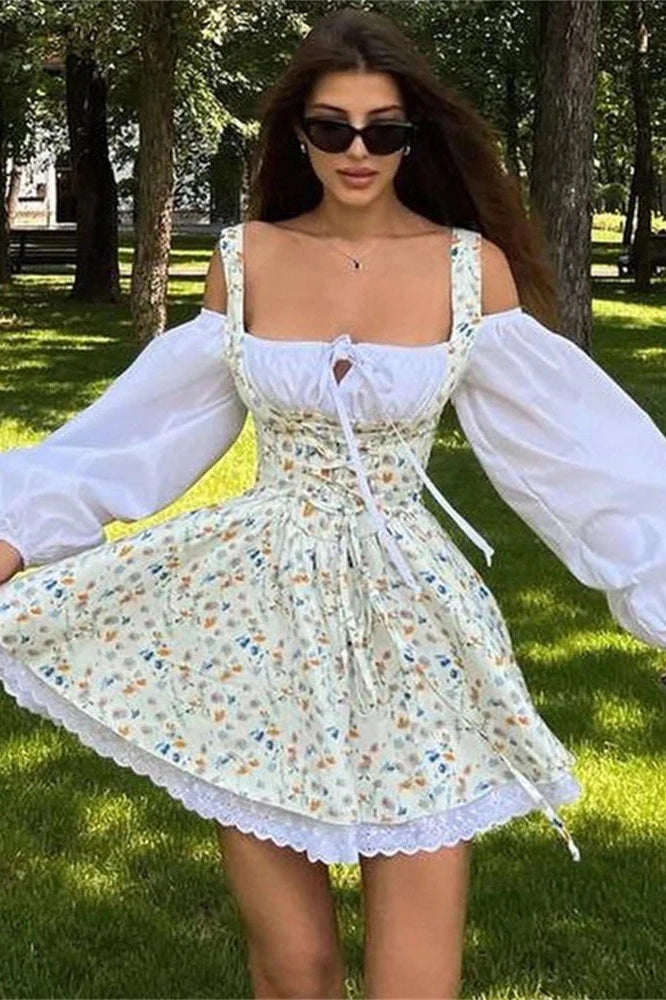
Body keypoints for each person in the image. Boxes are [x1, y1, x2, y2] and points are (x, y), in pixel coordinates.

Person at [1, 7, 665, 999]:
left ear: (413, 139)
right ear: (298, 137)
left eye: (383, 130)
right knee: (295, 968)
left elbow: (582, 456)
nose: (358, 151)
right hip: (254, 625)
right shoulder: (246, 260)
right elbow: (142, 431)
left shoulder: (467, 269)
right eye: (331, 127)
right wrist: (15, 530)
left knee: (414, 982)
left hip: (414, 625)